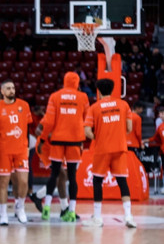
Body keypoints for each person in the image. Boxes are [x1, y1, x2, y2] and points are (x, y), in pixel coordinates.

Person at [36, 72, 89, 221]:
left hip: (57, 140)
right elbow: (86, 119)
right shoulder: (83, 97)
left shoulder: (55, 96)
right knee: (72, 177)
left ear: (64, 81)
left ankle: (46, 207)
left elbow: (49, 122)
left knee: (54, 175)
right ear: (77, 83)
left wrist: (42, 140)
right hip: (75, 141)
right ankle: (71, 211)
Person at [84, 79, 135, 228]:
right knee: (122, 182)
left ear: (98, 91)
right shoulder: (124, 105)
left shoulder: (94, 108)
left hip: (102, 149)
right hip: (119, 148)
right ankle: (129, 217)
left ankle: (98, 218)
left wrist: (98, 136)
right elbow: (129, 128)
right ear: (112, 90)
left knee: (97, 181)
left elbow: (87, 131)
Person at [0, 80, 32, 225]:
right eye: (8, 88)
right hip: (4, 150)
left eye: (13, 87)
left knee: (23, 181)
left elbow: (27, 128)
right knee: (3, 183)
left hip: (21, 149)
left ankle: (20, 207)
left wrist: (27, 146)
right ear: (2, 91)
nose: (12, 90)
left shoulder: (24, 105)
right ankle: (4, 214)